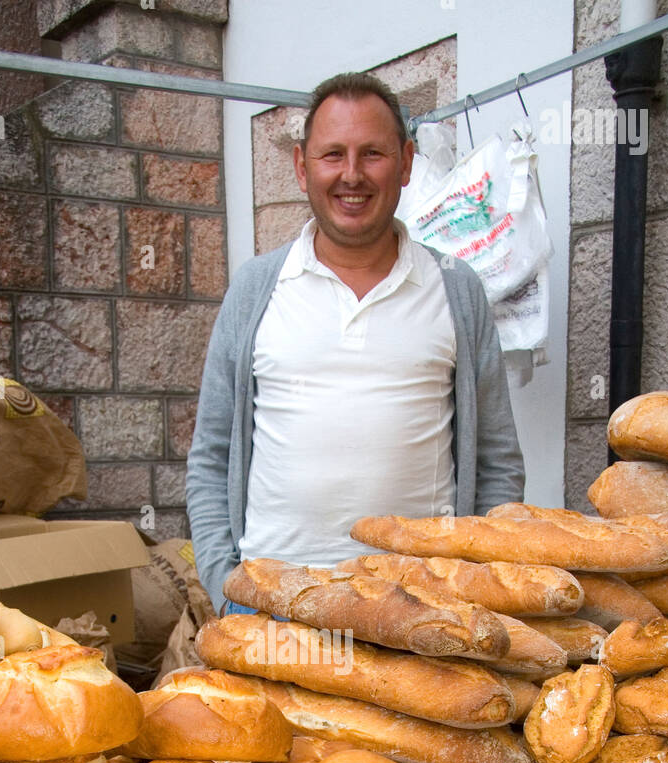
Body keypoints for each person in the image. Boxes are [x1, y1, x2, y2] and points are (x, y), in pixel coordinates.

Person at [186, 70, 525, 617]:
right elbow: (209, 457)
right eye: (332, 155)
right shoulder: (255, 290)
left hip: (422, 605)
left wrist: (478, 587)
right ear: (302, 166)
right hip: (273, 603)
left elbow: (497, 462)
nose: (351, 175)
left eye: (372, 154)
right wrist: (225, 585)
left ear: (407, 163)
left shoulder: (456, 289)